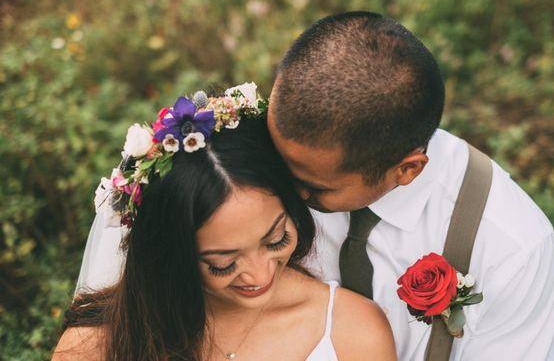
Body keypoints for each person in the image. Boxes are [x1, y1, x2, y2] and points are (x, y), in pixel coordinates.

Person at [267, 11, 554, 360]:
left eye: (313, 188)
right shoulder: (265, 167)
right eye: (277, 160)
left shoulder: (513, 249)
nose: (287, 191)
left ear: (407, 170)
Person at [53, 88, 396, 360]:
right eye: (223, 263)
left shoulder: (354, 333)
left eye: (276, 239)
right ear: (172, 254)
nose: (259, 275)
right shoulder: (94, 346)